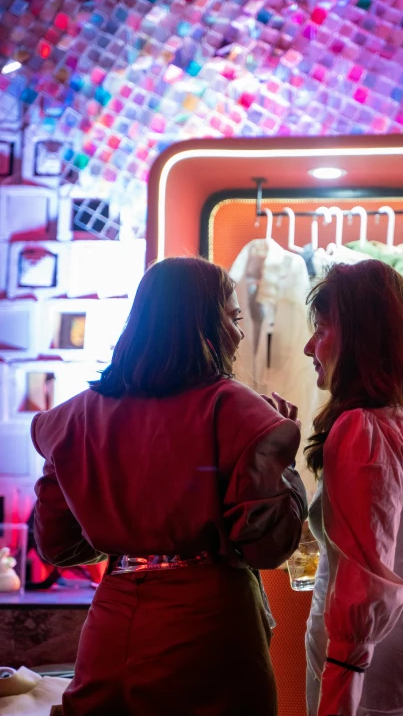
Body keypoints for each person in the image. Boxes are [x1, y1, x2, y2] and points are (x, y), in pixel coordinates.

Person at [31, 257, 307, 716]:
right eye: (233, 318)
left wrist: (127, 533)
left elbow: (57, 545)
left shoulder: (71, 418)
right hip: (209, 630)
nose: (239, 335)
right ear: (202, 323)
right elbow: (268, 547)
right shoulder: (241, 413)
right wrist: (285, 466)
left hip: (111, 627)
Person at [302, 260, 403, 716]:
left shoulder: (366, 427)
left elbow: (363, 587)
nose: (309, 346)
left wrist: (337, 699)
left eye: (323, 329)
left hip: (376, 677)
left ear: (359, 339)